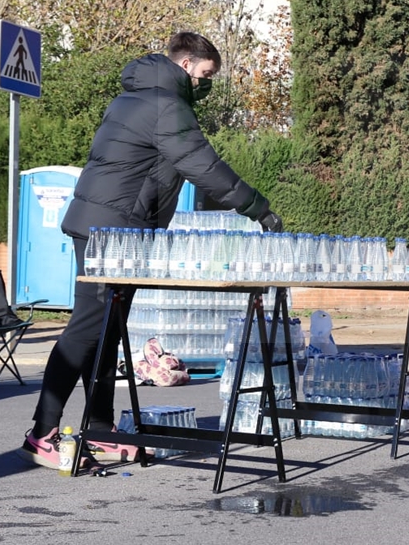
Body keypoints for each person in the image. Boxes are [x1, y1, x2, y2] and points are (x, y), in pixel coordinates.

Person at [17, 32, 283, 470]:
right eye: (205, 74)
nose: (205, 83)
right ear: (185, 65)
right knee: (87, 329)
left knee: (107, 330)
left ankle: (99, 429)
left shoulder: (136, 98)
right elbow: (203, 166)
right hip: (112, 233)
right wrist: (258, 208)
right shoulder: (164, 105)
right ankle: (42, 432)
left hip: (117, 230)